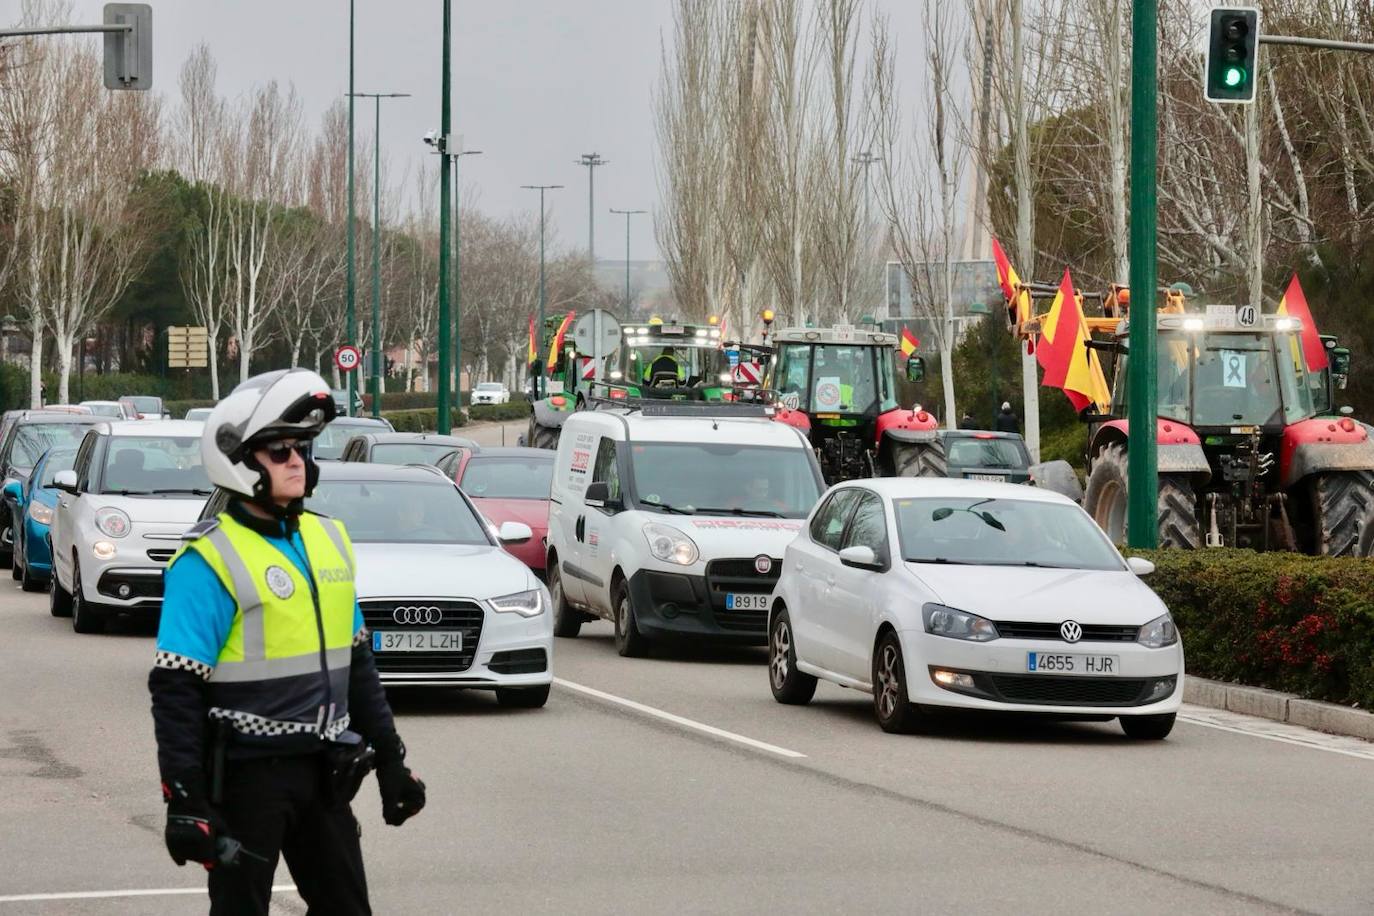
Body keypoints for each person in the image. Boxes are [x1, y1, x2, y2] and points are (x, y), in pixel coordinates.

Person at [148, 369, 425, 915]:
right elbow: (176, 688)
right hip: (249, 778)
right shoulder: (209, 559)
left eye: (301, 448)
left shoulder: (329, 537)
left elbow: (358, 661)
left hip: (325, 772)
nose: (297, 460)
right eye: (278, 451)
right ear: (240, 461)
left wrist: (392, 759)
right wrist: (185, 798)